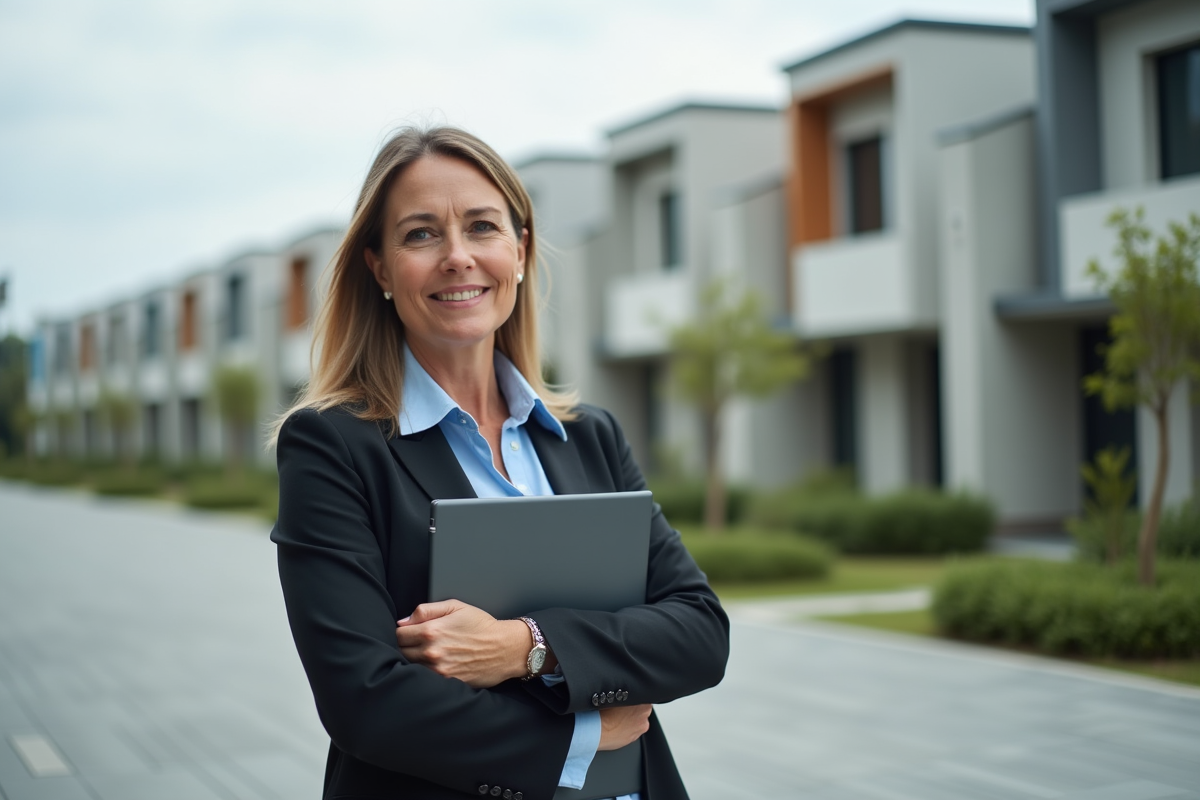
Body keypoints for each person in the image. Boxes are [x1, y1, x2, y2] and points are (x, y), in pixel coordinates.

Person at [270, 126, 729, 800]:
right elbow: (364, 700)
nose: (458, 257)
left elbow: (699, 633)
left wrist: (526, 646)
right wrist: (580, 736)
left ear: (519, 250)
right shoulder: (332, 446)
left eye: (482, 227)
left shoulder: (590, 436)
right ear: (380, 268)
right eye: (421, 234)